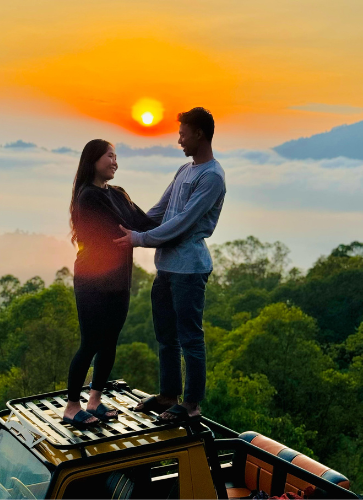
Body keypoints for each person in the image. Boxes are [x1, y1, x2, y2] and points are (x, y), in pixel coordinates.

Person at [114, 107, 226, 423]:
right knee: (165, 336)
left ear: (199, 134)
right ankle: (168, 395)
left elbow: (182, 223)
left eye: (182, 133)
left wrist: (138, 239)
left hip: (190, 270)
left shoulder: (212, 177)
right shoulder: (183, 170)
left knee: (190, 338)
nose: (179, 140)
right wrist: (122, 215)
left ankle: (190, 406)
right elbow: (159, 212)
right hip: (166, 267)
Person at [63, 139, 158, 429]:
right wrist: (137, 228)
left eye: (116, 157)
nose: (115, 161)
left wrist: (177, 221)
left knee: (110, 341)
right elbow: (123, 227)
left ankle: (95, 400)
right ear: (93, 160)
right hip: (92, 282)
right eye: (109, 156)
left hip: (119, 281)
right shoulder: (88, 197)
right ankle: (71, 406)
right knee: (90, 342)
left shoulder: (118, 193)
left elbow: (143, 223)